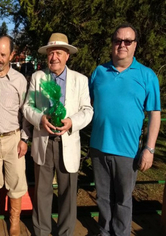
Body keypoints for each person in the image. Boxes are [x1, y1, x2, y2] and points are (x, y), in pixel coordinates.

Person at [89, 23, 161, 236]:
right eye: (118, 40)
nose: (122, 45)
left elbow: (154, 114)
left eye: (127, 41)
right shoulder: (99, 72)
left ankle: (120, 233)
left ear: (135, 45)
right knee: (102, 197)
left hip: (128, 151)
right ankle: (104, 231)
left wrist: (149, 148)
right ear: (112, 44)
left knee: (123, 200)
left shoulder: (147, 76)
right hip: (98, 147)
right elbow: (86, 106)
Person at [23, 33, 93, 236]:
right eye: (51, 53)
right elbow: (27, 107)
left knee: (67, 194)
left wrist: (72, 122)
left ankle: (65, 233)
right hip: (44, 141)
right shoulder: (38, 78)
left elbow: (88, 110)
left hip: (68, 141)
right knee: (42, 194)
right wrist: (40, 119)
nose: (54, 57)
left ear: (67, 56)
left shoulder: (80, 80)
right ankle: (42, 232)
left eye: (59, 53)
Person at [0, 35, 29, 236]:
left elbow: (27, 111)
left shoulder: (19, 80)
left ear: (11, 55)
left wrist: (24, 138)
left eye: (3, 54)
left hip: (13, 138)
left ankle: (14, 222)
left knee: (16, 183)